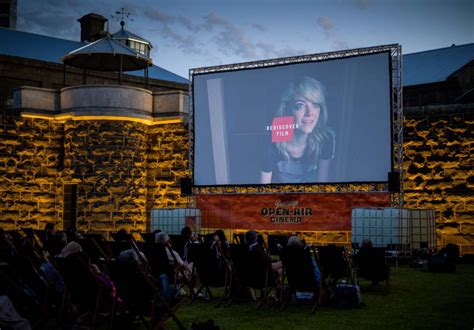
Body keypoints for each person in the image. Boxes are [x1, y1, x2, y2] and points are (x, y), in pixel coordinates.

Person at [261, 76, 335, 183]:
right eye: (300, 105)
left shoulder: (326, 138)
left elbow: (321, 186)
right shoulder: (272, 140)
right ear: (287, 110)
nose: (310, 113)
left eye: (315, 105)